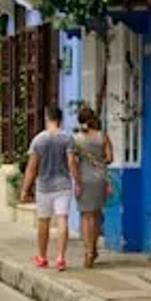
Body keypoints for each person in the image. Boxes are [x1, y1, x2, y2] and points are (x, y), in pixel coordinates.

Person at [19, 104, 74, 271]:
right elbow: (71, 162)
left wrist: (25, 189)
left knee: (44, 222)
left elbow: (31, 167)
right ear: (60, 119)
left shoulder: (38, 140)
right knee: (62, 219)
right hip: (63, 185)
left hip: (44, 187)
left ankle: (42, 256)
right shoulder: (67, 138)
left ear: (47, 118)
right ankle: (61, 258)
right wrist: (77, 180)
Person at [69, 105, 114, 269]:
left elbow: (72, 162)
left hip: (84, 179)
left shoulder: (74, 139)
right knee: (96, 215)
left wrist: (77, 181)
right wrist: (98, 160)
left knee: (86, 217)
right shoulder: (103, 136)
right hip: (100, 178)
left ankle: (88, 252)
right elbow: (109, 158)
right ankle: (93, 248)